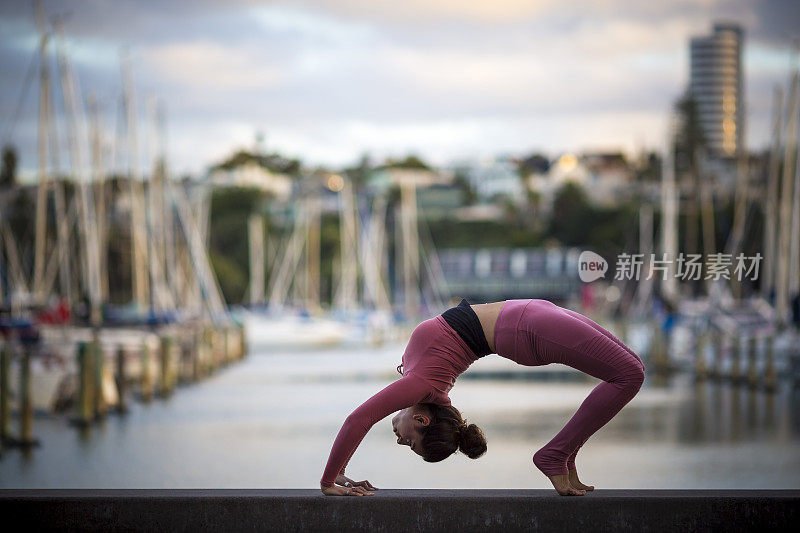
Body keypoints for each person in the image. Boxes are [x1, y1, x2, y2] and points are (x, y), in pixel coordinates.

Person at [320, 298, 645, 497]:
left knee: (634, 367)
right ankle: (557, 455)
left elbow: (358, 418)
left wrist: (330, 478)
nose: (400, 442)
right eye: (409, 445)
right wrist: (337, 472)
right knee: (630, 374)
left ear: (421, 419)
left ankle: (560, 455)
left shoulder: (420, 384)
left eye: (410, 444)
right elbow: (361, 420)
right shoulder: (426, 386)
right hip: (526, 326)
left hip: (527, 319)